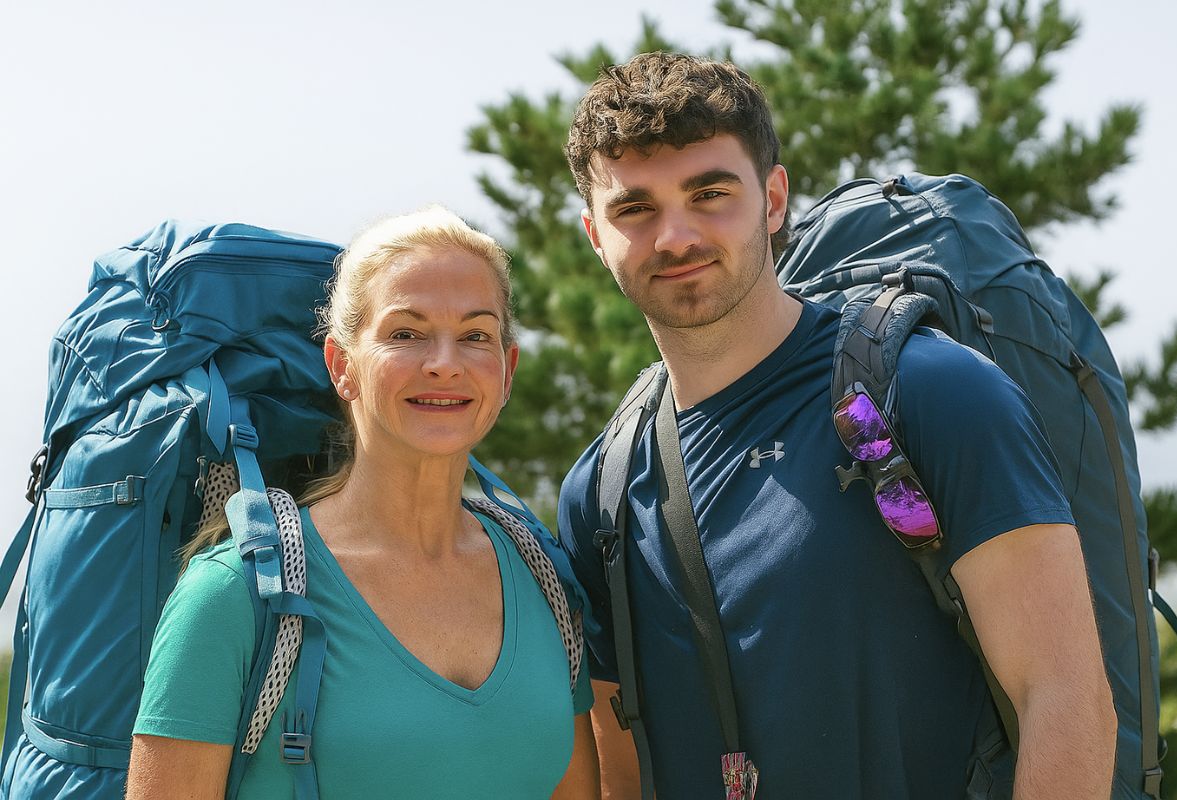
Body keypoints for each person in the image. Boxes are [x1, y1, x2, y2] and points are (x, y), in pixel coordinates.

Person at [556, 52, 1116, 799]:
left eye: (710, 193)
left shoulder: (928, 394)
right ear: (595, 235)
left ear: (773, 199)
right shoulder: (603, 490)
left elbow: (1066, 700)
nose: (676, 237)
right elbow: (621, 773)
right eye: (636, 209)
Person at [126, 207, 600, 799]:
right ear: (341, 366)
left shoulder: (543, 578)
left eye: (475, 335)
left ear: (506, 371)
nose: (445, 363)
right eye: (405, 334)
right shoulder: (236, 596)